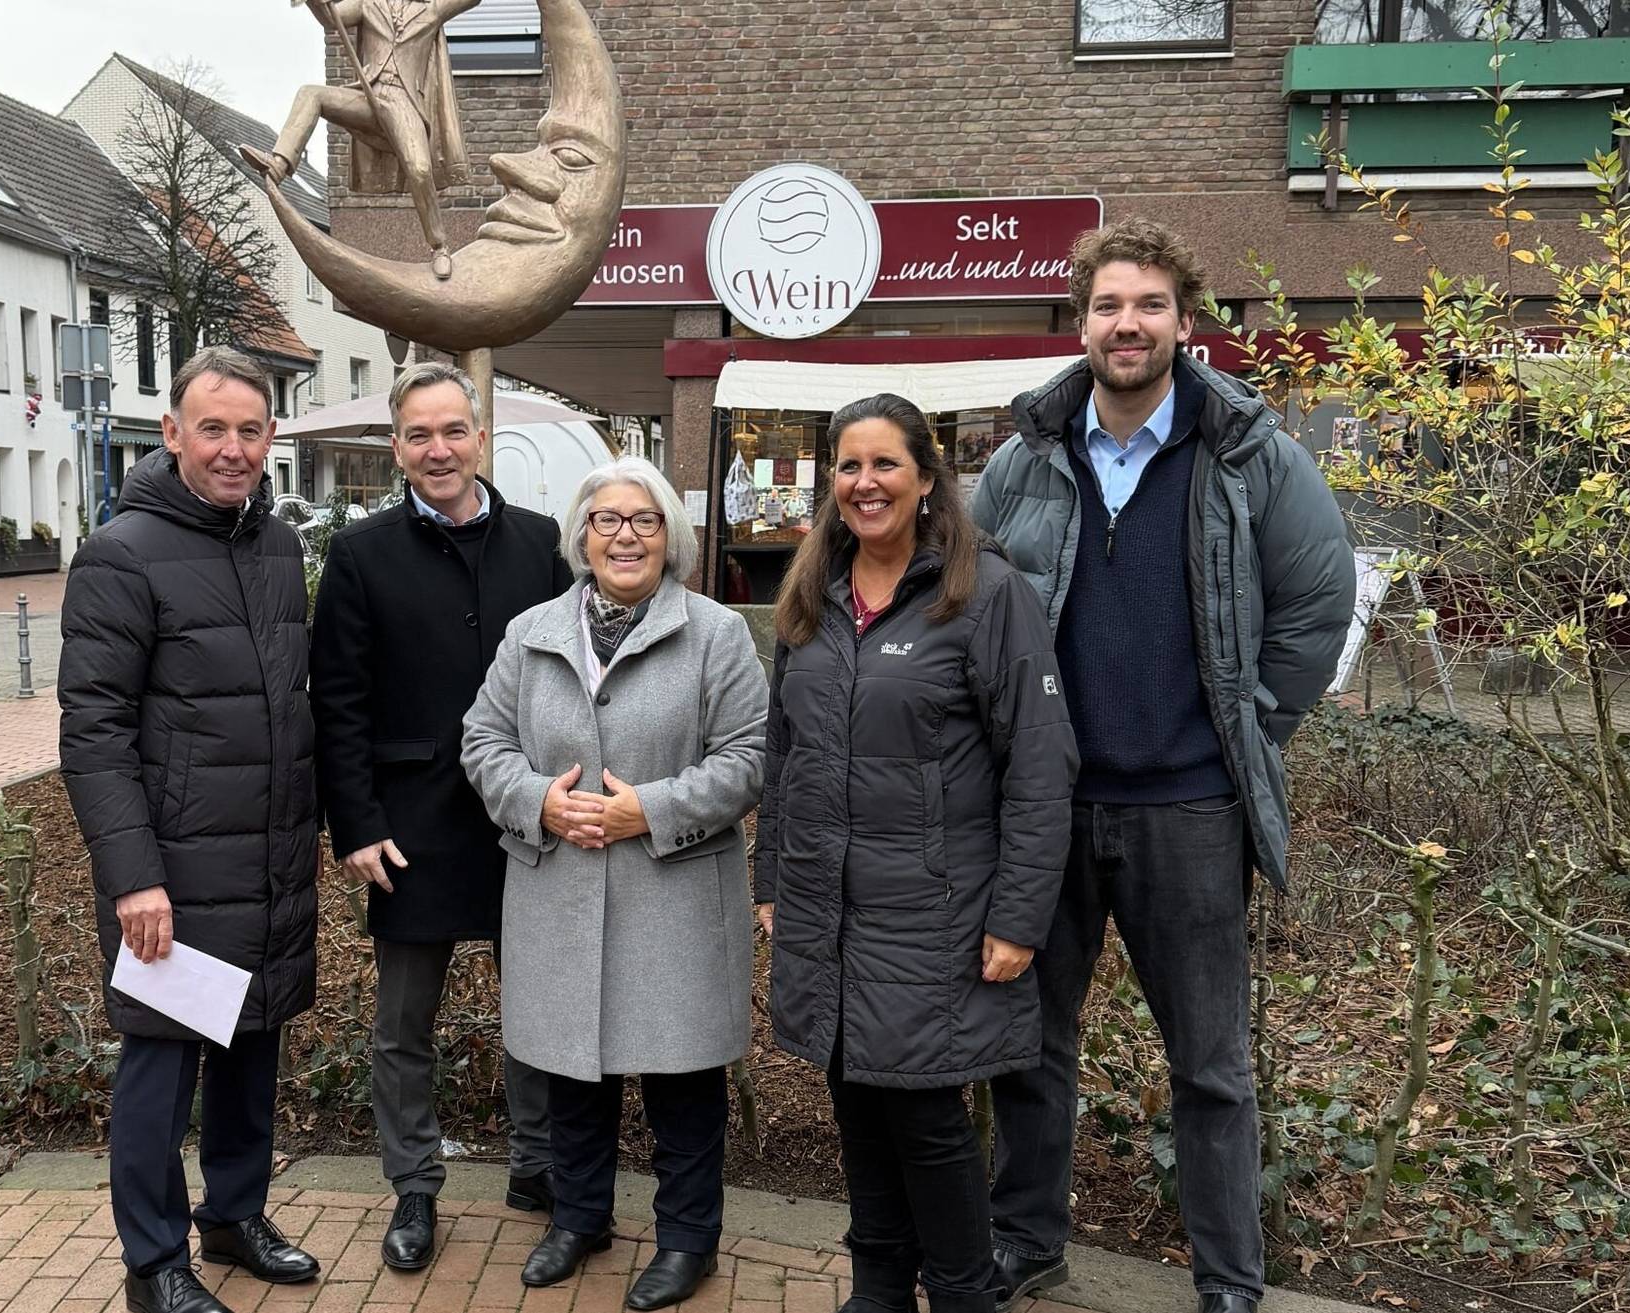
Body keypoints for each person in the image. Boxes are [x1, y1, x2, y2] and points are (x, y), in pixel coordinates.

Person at [969, 217, 1355, 1313]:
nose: (1125, 324)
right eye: (1106, 306)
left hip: (1189, 809)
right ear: (1081, 321)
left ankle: (1231, 1278)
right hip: (1048, 808)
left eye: (1147, 305)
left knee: (1211, 1066)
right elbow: (967, 603)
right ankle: (1028, 1241)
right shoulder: (1025, 460)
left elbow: (1318, 602)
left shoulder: (1250, 454)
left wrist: (1248, 726)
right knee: (1030, 1046)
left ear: (1185, 321)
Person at [752, 393, 1077, 1313]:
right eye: (849, 466)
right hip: (830, 906)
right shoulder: (812, 598)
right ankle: (879, 1288)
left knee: (929, 1117)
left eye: (886, 463)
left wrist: (1020, 916)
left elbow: (1042, 766)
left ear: (927, 477)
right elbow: (787, 754)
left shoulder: (986, 594)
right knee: (856, 1101)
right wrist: (774, 876)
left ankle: (967, 1292)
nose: (866, 483)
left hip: (937, 912)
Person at [461, 458, 766, 1312]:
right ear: (581, 535)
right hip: (560, 887)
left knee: (682, 1080)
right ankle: (581, 1216)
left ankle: (685, 1239)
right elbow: (482, 739)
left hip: (670, 892)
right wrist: (537, 802)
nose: (624, 534)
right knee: (573, 1072)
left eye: (644, 520)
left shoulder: (717, 634)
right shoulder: (531, 632)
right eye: (606, 519)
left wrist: (652, 810)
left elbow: (750, 758)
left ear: (671, 538)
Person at [58, 346, 323, 1313]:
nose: (232, 448)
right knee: (161, 1066)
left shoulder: (278, 546)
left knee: (254, 1043)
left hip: (265, 856)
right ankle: (154, 1259)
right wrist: (133, 876)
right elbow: (92, 730)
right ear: (171, 434)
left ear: (270, 439)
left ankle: (236, 1213)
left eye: (250, 430)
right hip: (170, 869)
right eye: (212, 428)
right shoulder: (121, 554)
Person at [310, 361, 569, 1271]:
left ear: (481, 435)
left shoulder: (543, 545)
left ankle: (539, 1165)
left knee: (537, 1006)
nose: (439, 449)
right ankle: (414, 1185)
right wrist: (356, 824)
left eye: (453, 430)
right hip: (408, 825)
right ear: (396, 448)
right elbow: (337, 700)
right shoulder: (360, 554)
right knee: (403, 1023)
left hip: (525, 819)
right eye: (419, 435)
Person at [264, 0, 478, 278]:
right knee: (311, 93)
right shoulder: (368, 4)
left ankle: (439, 246)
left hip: (404, 102)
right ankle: (280, 163)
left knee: (420, 169)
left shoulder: (432, 9)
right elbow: (331, 18)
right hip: (368, 96)